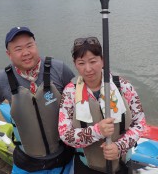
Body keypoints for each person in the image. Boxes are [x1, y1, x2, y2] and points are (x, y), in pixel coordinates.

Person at [0, 26, 75, 174]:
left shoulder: (58, 69)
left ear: (36, 45)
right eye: (18, 49)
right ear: (9, 54)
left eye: (29, 45)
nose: (26, 53)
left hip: (63, 159)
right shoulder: (3, 78)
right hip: (27, 163)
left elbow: (80, 98)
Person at [58, 37, 146, 173]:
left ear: (103, 60)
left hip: (121, 165)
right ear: (74, 64)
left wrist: (120, 146)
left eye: (93, 61)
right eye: (81, 63)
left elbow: (139, 123)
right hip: (86, 167)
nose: (88, 69)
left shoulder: (123, 86)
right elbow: (65, 134)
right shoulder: (70, 92)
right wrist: (97, 131)